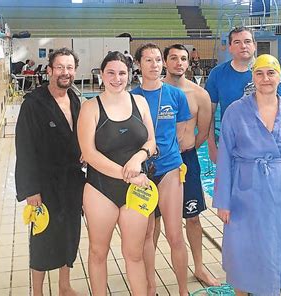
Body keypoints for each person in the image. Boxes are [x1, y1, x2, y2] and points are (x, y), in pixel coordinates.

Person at [213, 54, 281, 296]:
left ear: (280, 78)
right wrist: (223, 202)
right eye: (259, 73)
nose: (265, 78)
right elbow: (225, 157)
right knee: (242, 248)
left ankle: (278, 287)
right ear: (253, 78)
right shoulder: (236, 111)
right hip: (244, 194)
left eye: (271, 73)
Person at [77, 51, 156, 295]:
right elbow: (89, 154)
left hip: (136, 190)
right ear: (101, 75)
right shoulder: (90, 108)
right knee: (98, 253)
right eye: (110, 72)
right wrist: (129, 173)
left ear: (130, 75)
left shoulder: (139, 102)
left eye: (122, 73)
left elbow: (151, 141)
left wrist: (138, 157)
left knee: (134, 254)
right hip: (101, 189)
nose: (117, 78)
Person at [15, 47, 85, 296]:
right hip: (44, 185)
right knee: (42, 237)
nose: (65, 72)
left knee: (69, 234)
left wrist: (84, 152)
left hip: (72, 182)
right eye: (60, 67)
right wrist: (30, 189)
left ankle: (64, 286)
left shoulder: (74, 99)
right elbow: (24, 148)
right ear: (49, 70)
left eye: (69, 67)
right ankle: (38, 292)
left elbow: (78, 137)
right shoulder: (34, 103)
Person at [131, 43, 192, 295]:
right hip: (142, 174)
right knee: (146, 235)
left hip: (169, 169)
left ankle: (182, 290)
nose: (154, 65)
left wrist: (167, 152)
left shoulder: (176, 95)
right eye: (148, 60)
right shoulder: (132, 97)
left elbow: (184, 133)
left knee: (175, 234)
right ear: (138, 65)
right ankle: (151, 288)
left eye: (158, 60)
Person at [158, 44, 218, 286]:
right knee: (152, 221)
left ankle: (200, 268)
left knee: (192, 218)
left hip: (186, 160)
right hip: (157, 162)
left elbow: (203, 132)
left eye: (183, 58)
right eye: (173, 58)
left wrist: (187, 148)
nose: (179, 63)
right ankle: (147, 272)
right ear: (164, 62)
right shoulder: (154, 92)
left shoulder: (199, 95)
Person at [205, 26, 281, 163]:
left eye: (247, 41)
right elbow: (209, 113)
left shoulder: (271, 72)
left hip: (270, 146)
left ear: (254, 45)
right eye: (237, 42)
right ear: (230, 47)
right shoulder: (218, 74)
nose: (243, 46)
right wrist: (212, 147)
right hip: (233, 146)